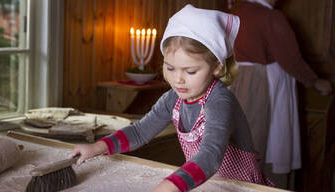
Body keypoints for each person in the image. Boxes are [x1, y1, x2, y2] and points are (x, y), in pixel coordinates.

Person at [70, 4, 272, 191]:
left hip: (239, 187)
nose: (178, 80)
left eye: (190, 71)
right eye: (170, 68)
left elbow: (210, 156)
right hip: (204, 183)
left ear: (217, 66)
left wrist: (171, 185)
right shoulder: (172, 99)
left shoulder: (220, 101)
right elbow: (140, 132)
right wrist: (97, 147)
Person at [230, 0, 332, 188]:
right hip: (266, 84)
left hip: (242, 81)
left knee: (247, 142)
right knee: (269, 143)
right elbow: (292, 60)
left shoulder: (240, 10)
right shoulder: (269, 17)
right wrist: (316, 82)